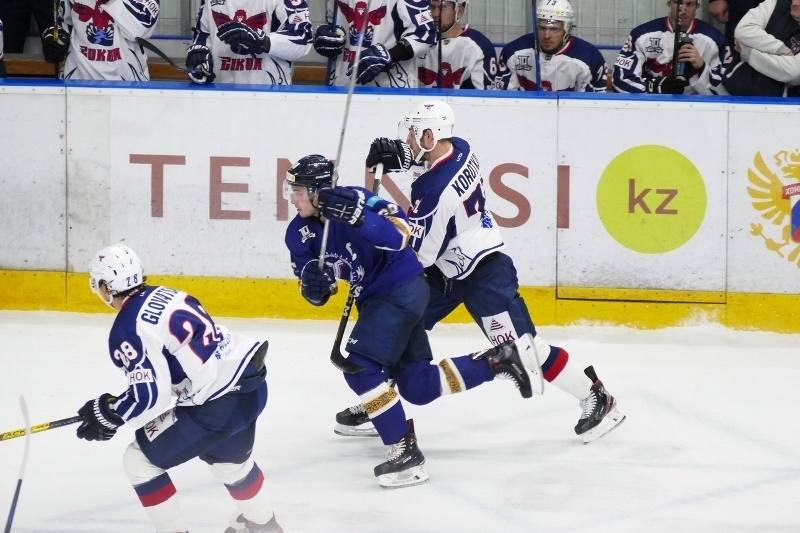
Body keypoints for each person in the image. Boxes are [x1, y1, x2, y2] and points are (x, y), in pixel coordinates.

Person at [334, 100, 626, 446]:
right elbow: (431, 166)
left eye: (413, 134)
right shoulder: (459, 147)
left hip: (482, 274)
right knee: (396, 324)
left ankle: (597, 397)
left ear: (429, 136)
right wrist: (403, 156)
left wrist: (373, 243)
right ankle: (381, 401)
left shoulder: (434, 193)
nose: (408, 140)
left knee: (523, 348)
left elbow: (420, 255)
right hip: (447, 269)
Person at [284, 154, 544, 488]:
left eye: (298, 192)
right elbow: (316, 292)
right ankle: (498, 361)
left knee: (361, 369)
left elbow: (401, 235)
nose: (292, 199)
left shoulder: (358, 200)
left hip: (402, 288)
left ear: (318, 191)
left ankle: (403, 450)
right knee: (417, 386)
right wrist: (314, 285)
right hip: (375, 300)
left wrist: (359, 217)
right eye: (291, 191)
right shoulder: (298, 233)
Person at [78, 244, 282, 533]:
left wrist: (111, 412)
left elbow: (150, 396)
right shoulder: (166, 293)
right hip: (250, 383)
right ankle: (265, 526)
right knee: (229, 464)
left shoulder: (127, 327)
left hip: (217, 404)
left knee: (139, 462)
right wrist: (113, 408)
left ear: (104, 287)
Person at [612, 0, 730, 94]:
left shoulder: (715, 40)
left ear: (697, 5)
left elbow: (726, 91)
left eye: (689, 4)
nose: (682, 10)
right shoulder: (642, 35)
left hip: (696, 108)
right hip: (653, 106)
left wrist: (701, 67)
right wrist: (654, 87)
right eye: (677, 3)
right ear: (669, 3)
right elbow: (620, 79)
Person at [312, 0, 437, 87]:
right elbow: (333, 24)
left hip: (391, 90)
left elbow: (426, 34)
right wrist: (324, 36)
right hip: (341, 86)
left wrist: (391, 55)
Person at [185, 0, 312, 85]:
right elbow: (202, 34)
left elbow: (303, 40)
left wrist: (263, 41)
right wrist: (199, 56)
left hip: (270, 94)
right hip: (220, 92)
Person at [496, 0, 607, 92]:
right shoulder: (513, 52)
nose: (547, 36)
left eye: (554, 29)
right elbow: (504, 100)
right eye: (542, 28)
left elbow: (592, 105)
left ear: (567, 29)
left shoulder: (590, 58)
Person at [40, 0, 159, 80]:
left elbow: (141, 29)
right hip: (77, 79)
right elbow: (64, 20)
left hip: (128, 83)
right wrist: (56, 37)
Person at [719, 0, 800, 95]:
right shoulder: (775, 4)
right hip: (732, 91)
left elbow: (794, 73)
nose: (795, 3)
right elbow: (742, 31)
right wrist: (783, 51)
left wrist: (748, 53)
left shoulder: (746, 52)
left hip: (779, 101)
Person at [417, 0, 497, 89]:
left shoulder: (479, 46)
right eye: (431, 7)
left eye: (442, 8)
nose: (434, 14)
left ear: (459, 11)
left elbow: (481, 95)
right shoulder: (416, 41)